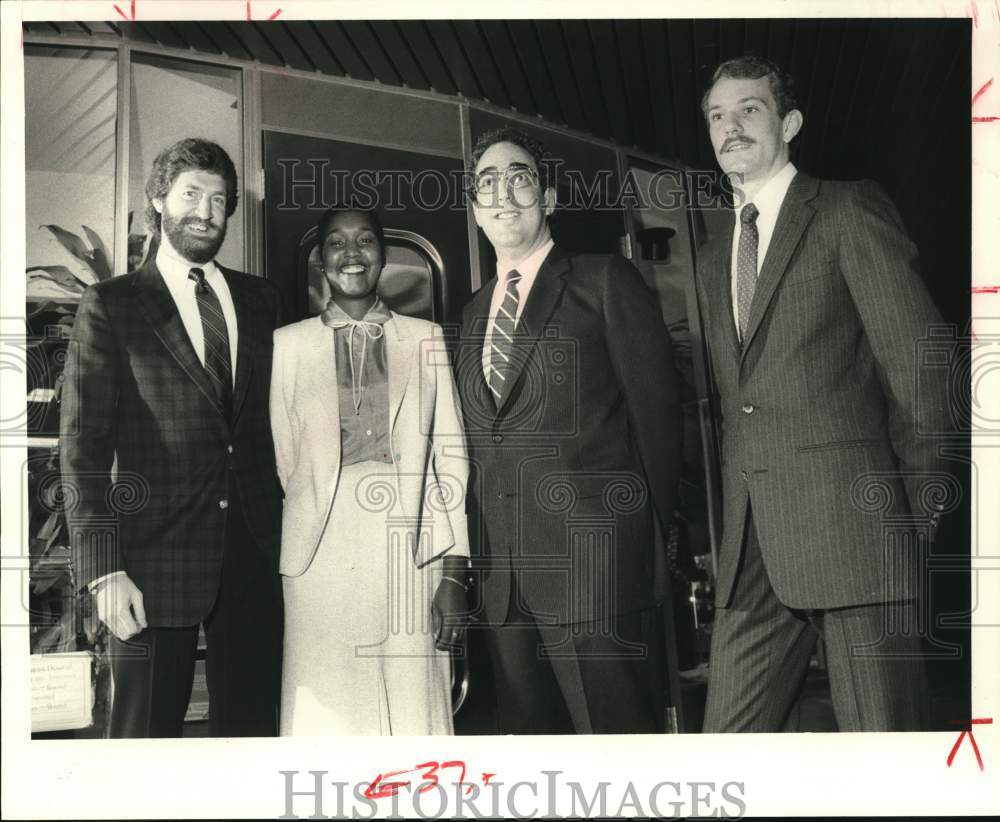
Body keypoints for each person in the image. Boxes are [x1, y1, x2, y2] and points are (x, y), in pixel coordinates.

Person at [696, 56, 951, 732]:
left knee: (885, 762)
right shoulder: (712, 246)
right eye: (717, 116)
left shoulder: (844, 209)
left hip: (860, 541)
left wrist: (911, 524)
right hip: (754, 554)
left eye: (749, 109)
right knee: (724, 751)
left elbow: (924, 372)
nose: (731, 126)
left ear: (791, 122)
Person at [454, 127, 683, 734]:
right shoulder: (472, 315)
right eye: (488, 184)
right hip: (506, 589)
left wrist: (651, 550)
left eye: (521, 178)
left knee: (621, 761)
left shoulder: (604, 281)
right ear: (476, 209)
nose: (505, 195)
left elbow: (658, 422)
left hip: (597, 575)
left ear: (549, 198)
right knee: (541, 769)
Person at [61, 138, 284, 737]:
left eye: (219, 200)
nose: (206, 211)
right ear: (159, 199)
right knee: (144, 742)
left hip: (256, 559)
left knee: (251, 739)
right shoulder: (111, 304)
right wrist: (105, 572)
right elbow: (82, 450)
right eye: (191, 194)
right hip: (150, 565)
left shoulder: (263, 301)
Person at [271, 207, 470, 736]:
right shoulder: (286, 346)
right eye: (337, 243)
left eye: (365, 242)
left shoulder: (427, 338)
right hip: (319, 547)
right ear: (321, 260)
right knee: (327, 711)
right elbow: (285, 459)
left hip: (411, 541)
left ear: (384, 256)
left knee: (413, 706)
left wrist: (454, 571)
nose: (351, 254)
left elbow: (450, 456)